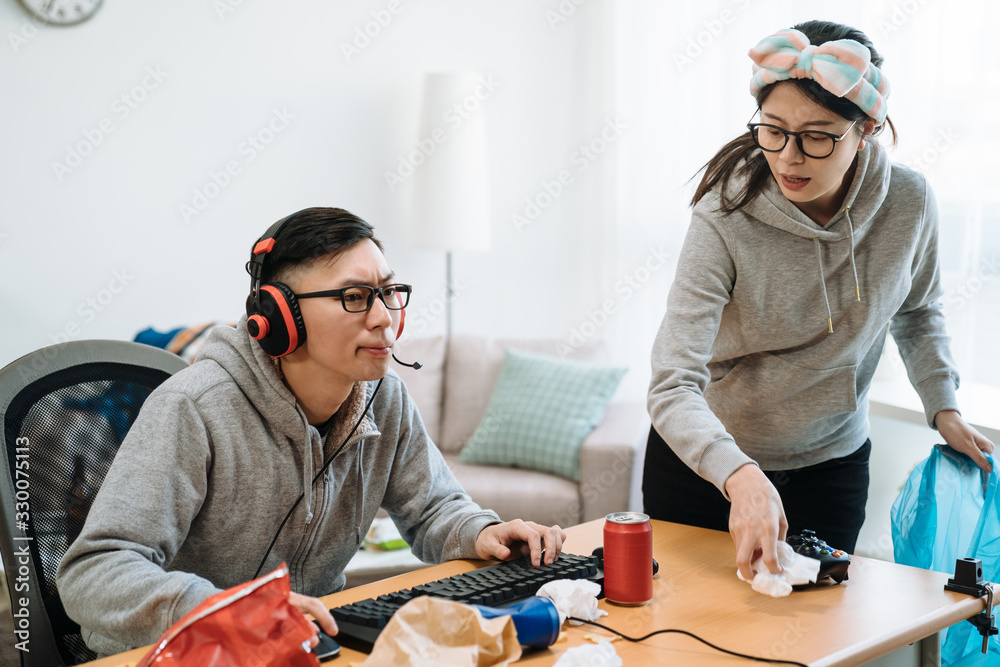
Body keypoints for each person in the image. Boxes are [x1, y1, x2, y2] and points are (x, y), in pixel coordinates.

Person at [57, 207, 566, 656]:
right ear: (278, 318)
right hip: (184, 652)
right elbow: (95, 573)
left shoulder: (384, 398)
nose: (384, 318)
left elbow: (434, 508)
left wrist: (481, 531)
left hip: (308, 646)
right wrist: (224, 609)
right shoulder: (193, 408)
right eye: (354, 296)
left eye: (389, 293)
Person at [643, 20, 995, 582]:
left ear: (868, 129)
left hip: (831, 466)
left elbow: (918, 310)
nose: (789, 158)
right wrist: (739, 473)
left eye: (818, 135)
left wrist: (942, 404)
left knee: (811, 640)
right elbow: (671, 383)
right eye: (774, 130)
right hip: (708, 467)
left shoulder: (909, 203)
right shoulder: (723, 214)